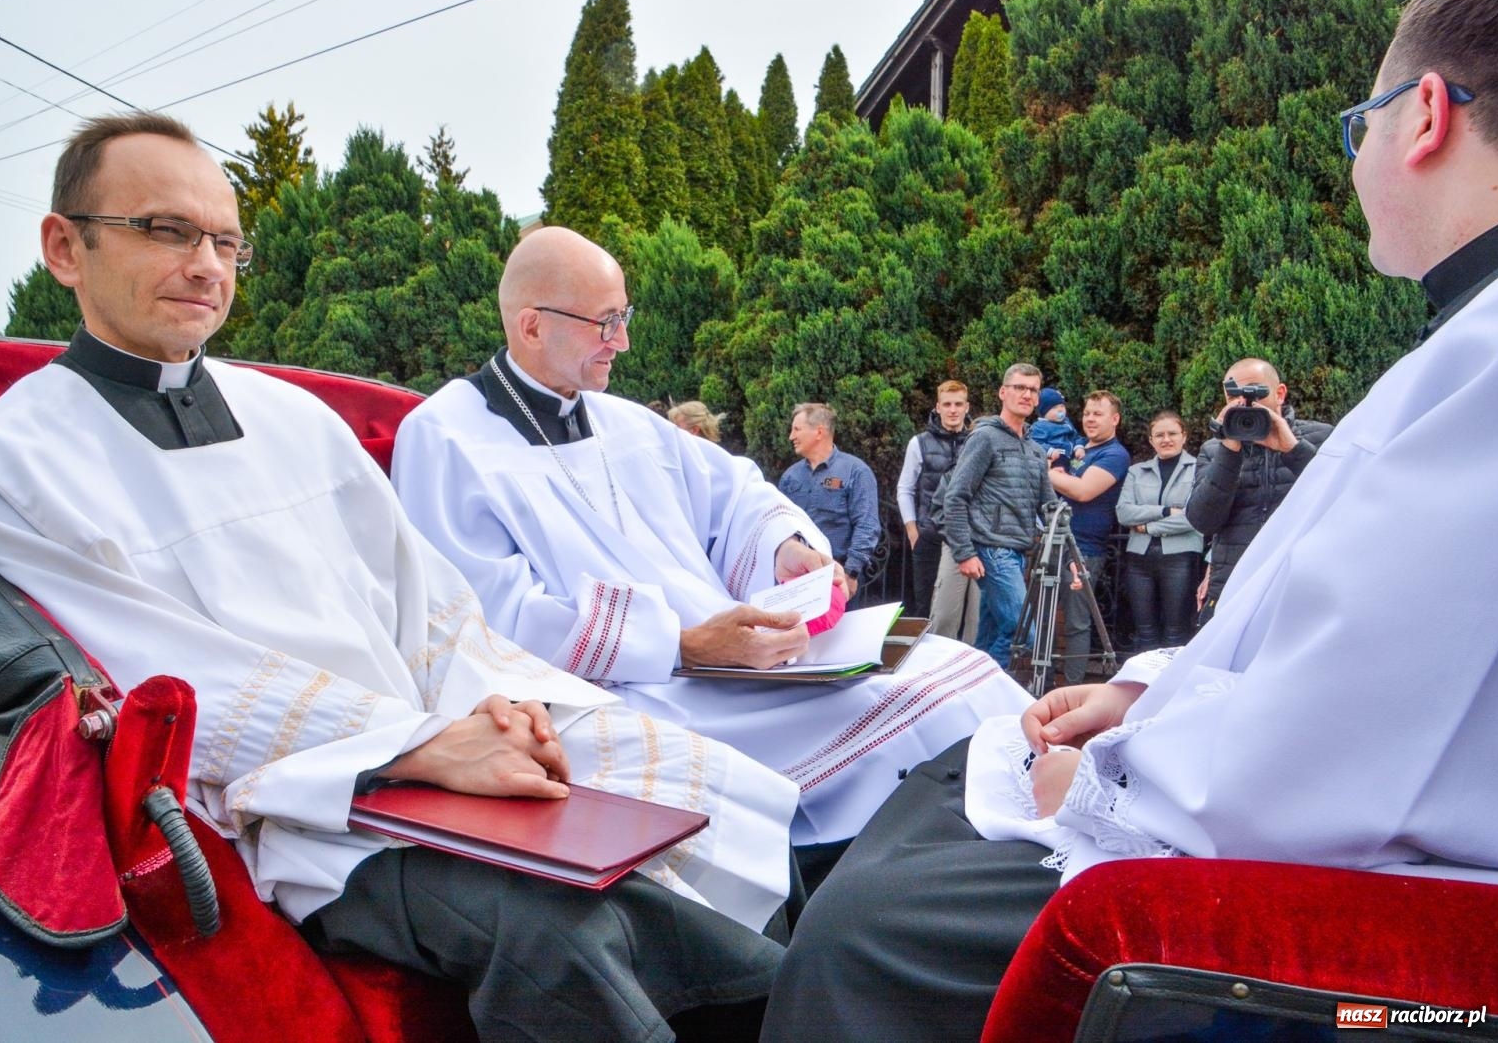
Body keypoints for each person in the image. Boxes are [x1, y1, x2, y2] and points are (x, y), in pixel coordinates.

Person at [0, 112, 803, 1043]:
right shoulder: (4, 462)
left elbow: (430, 610)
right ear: (66, 247)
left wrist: (503, 713)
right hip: (296, 804)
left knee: (723, 792)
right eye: (167, 231)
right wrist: (418, 750)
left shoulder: (294, 419)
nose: (206, 265)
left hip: (438, 738)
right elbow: (156, 678)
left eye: (225, 240)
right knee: (559, 932)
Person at [762, 0, 1498, 1037]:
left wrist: (1103, 776)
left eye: (1360, 124)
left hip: (1359, 896)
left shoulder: (1480, 368)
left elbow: (1326, 751)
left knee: (870, 924)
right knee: (934, 779)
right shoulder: (1456, 346)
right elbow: (1313, 637)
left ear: (1422, 116)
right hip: (1272, 778)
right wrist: (1149, 689)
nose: (1356, 155)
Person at [391, 226, 1034, 861]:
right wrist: (683, 643)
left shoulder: (623, 420)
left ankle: (1009, 840)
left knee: (957, 669)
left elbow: (734, 495)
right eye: (606, 322)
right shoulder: (444, 438)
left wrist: (786, 548)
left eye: (624, 315)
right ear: (532, 326)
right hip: (625, 686)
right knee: (891, 699)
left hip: (725, 656)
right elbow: (485, 621)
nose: (625, 340)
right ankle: (897, 866)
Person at [1184, 357, 1332, 625]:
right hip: (1233, 585)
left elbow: (1340, 503)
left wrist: (1293, 449)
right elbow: (1203, 521)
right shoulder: (1214, 450)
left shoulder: (1321, 438)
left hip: (1299, 584)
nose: (1244, 402)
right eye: (1234, 396)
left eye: (1255, 392)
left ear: (1280, 393)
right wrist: (1229, 451)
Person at [939, 363, 1055, 670]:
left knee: (990, 636)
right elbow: (956, 496)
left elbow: (1050, 506)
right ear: (1003, 392)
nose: (1026, 395)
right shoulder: (985, 438)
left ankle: (974, 689)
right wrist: (964, 552)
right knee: (1024, 633)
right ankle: (989, 682)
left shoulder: (1034, 450)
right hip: (991, 549)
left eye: (1032, 390)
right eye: (1019, 387)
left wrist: (1070, 553)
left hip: (1019, 551)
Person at [1047, 391, 1130, 684]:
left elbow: (1083, 490)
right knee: (1043, 621)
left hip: (1083, 549)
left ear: (1115, 419)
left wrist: (1041, 471)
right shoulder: (1077, 446)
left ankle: (1071, 690)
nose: (1090, 419)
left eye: (1098, 413)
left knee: (1076, 624)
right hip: (1050, 542)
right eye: (1087, 413)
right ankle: (1041, 684)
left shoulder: (1115, 454)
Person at [1115, 410, 1203, 650]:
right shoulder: (1137, 471)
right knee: (1145, 632)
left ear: (1184, 436)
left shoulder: (1198, 468)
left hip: (1181, 558)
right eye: (1159, 435)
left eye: (1172, 433)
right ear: (1151, 440)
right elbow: (1123, 513)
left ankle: (1170, 685)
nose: (1166, 439)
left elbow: (1194, 517)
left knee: (1177, 632)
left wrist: (1148, 526)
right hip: (1139, 559)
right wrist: (1165, 511)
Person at [777, 403, 881, 590]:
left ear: (819, 432)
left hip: (837, 576)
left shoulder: (856, 472)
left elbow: (867, 525)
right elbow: (779, 526)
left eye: (797, 429)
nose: (791, 436)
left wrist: (851, 573)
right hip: (796, 577)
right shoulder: (790, 477)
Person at [895, 380, 971, 619]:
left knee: (959, 610)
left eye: (958, 404)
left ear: (967, 407)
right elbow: (905, 488)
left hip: (964, 535)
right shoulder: (919, 443)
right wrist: (912, 531)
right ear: (937, 407)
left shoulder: (976, 441)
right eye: (947, 404)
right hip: (928, 534)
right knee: (924, 605)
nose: (953, 410)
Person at [1028, 387, 1083, 464]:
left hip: (1072, 457)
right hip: (1056, 458)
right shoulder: (1040, 427)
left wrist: (1079, 447)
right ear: (1044, 412)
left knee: (1082, 466)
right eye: (1055, 408)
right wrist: (1050, 451)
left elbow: (1075, 436)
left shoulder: (1066, 422)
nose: (1060, 410)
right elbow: (1034, 442)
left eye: (1062, 406)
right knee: (1061, 471)